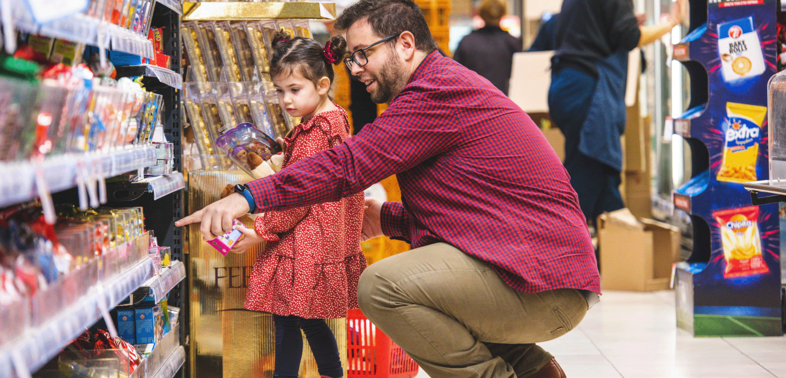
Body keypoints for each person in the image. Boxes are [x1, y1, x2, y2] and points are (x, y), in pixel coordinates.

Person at [176, 0, 600, 376]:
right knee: (422, 284)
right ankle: (532, 369)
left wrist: (248, 195)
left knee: (383, 287)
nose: (355, 67)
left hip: (543, 285)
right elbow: (473, 216)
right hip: (536, 275)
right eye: (350, 56)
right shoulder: (440, 86)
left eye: (364, 53)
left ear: (405, 44)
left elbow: (348, 165)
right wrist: (388, 220)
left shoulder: (434, 92)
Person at [227, 32, 366, 378]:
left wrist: (260, 230)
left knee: (287, 318)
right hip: (324, 235)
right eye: (279, 90)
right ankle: (333, 374)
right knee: (308, 320)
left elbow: (295, 197)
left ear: (321, 84)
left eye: (294, 90)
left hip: (306, 240)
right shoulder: (333, 119)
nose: (285, 100)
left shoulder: (314, 133)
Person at [547, 0, 685, 229]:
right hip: (588, 89)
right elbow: (629, 37)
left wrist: (626, 23)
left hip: (566, 84)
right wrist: (670, 24)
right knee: (589, 171)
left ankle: (615, 244)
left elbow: (598, 30)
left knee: (600, 174)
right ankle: (558, 245)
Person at [453, 0, 521, 95]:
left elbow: (456, 76)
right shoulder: (512, 43)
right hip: (504, 102)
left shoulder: (467, 42)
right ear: (503, 13)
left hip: (474, 102)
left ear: (480, 13)